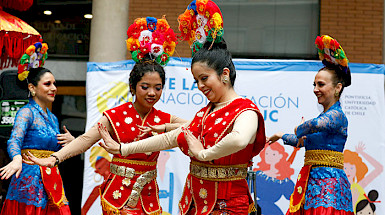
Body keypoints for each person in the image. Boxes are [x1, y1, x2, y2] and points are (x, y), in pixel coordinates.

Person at [27, 16, 185, 215]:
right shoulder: (115, 116)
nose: (152, 93)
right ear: (133, 87)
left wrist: (164, 128)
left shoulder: (164, 118)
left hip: (149, 197)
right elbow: (86, 140)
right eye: (145, 87)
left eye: (158, 88)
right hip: (118, 195)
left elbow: (196, 125)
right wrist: (56, 158)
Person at [97, 38, 266, 215]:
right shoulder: (205, 113)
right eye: (196, 81)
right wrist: (123, 149)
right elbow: (170, 138)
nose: (200, 86)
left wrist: (204, 154)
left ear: (224, 74)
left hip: (227, 205)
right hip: (194, 203)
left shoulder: (246, 111)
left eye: (204, 78)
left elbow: (239, 139)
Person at [267, 35, 354, 214]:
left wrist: (298, 129)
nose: (315, 89)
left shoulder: (336, 116)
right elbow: (304, 141)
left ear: (338, 88)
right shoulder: (326, 116)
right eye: (314, 84)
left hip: (329, 186)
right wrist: (281, 136)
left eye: (321, 84)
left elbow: (312, 126)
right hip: (311, 182)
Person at [0, 41, 75, 215]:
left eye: (54, 84)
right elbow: (14, 139)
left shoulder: (52, 118)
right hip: (30, 177)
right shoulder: (26, 112)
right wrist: (17, 158)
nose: (54, 88)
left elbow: (57, 151)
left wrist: (71, 143)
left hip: (52, 177)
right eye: (48, 84)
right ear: (32, 88)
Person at [253, 142, 295, 215]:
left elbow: (292, 196)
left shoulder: (284, 180)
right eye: (267, 154)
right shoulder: (258, 175)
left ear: (280, 156)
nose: (269, 157)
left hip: (272, 211)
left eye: (273, 154)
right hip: (257, 208)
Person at [343, 142, 383, 213]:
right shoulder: (338, 187)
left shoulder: (358, 186)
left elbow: (379, 168)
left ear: (356, 168)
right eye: (345, 168)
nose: (348, 171)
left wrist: (362, 153)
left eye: (351, 168)